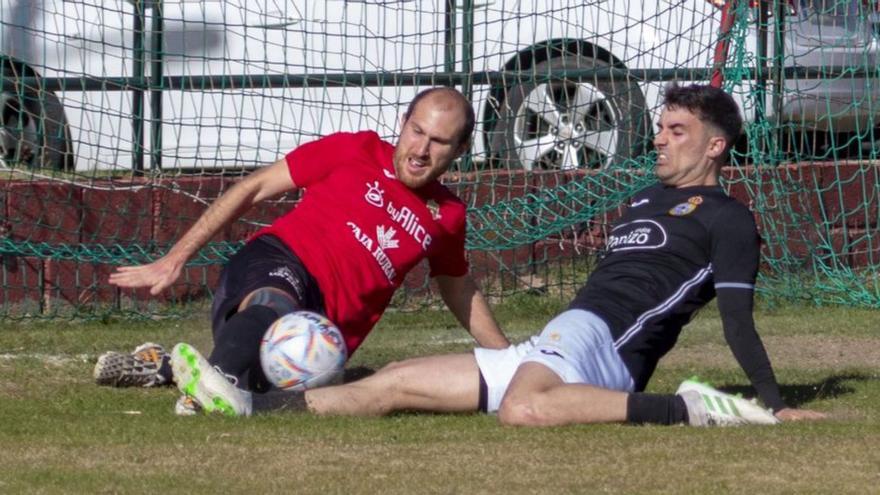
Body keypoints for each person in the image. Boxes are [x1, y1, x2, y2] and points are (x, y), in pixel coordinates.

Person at [170, 83, 826, 426]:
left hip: (602, 353)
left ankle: (699, 409)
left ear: (715, 146)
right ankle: (248, 407)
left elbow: (738, 319)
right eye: (660, 126)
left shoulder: (730, 220)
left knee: (524, 409)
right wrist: (514, 347)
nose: (659, 139)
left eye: (677, 131)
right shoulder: (646, 200)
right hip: (556, 342)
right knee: (391, 379)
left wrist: (768, 398)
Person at [97, 87, 510, 413]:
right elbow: (252, 187)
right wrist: (175, 258)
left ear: (459, 150)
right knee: (277, 303)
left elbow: (458, 288)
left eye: (438, 142)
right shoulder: (355, 150)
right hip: (276, 264)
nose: (421, 151)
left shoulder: (448, 214)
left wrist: (508, 363)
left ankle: (168, 365)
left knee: (268, 379)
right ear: (402, 123)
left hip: (321, 343)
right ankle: (208, 388)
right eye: (417, 131)